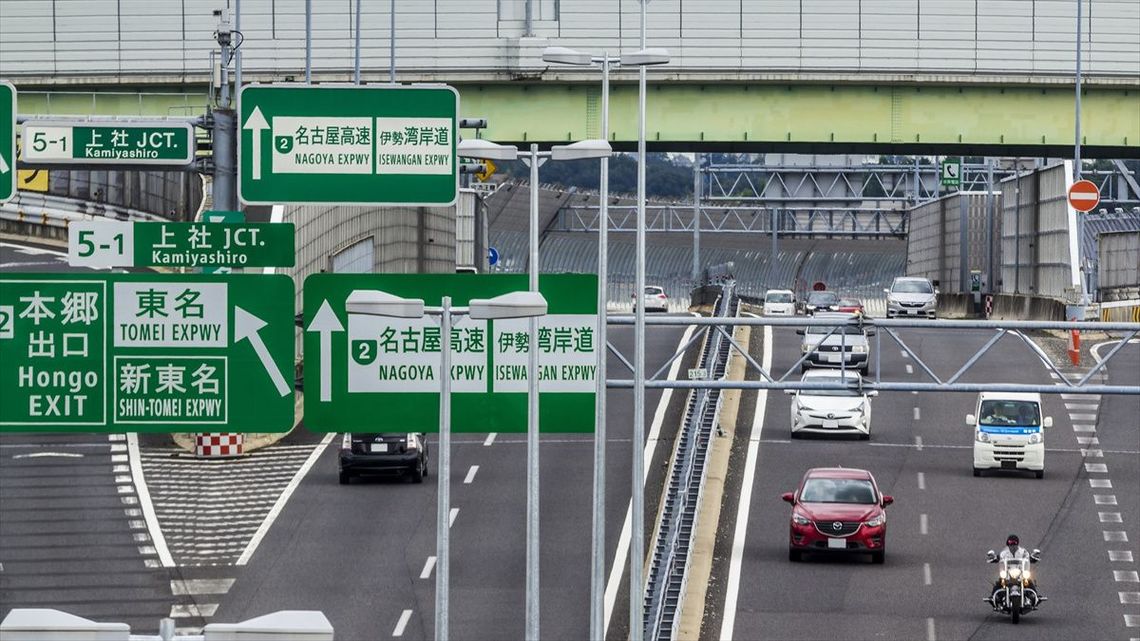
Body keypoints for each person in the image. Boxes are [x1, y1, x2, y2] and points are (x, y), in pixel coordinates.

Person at [986, 534, 1045, 607]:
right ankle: (994, 597)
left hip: (1020, 573)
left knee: (1028, 581)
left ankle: (1034, 596)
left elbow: (1028, 558)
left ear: (1017, 543)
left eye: (1014, 543)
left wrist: (1033, 558)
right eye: (1010, 543)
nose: (1013, 545)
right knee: (1000, 582)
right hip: (1008, 574)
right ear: (1008, 544)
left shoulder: (1023, 552)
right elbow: (998, 558)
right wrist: (994, 558)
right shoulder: (1004, 553)